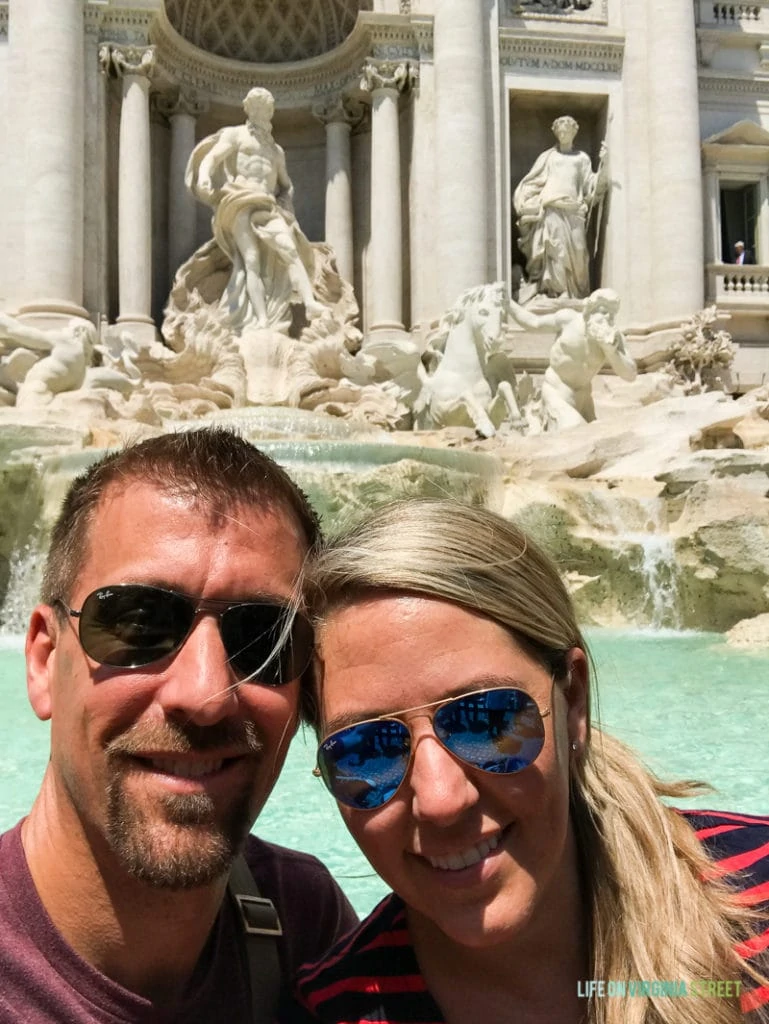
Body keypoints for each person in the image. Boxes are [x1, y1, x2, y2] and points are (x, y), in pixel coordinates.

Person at [285, 498, 769, 1024]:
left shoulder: (758, 893)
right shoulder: (331, 1011)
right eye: (367, 749)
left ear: (574, 701)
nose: (441, 800)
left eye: (487, 720)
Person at [0, 428, 357, 1023]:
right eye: (140, 622)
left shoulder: (305, 922)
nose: (205, 694)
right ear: (42, 660)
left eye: (262, 639)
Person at [187, 87, 325, 330]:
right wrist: (205, 176)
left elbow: (285, 184)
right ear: (248, 110)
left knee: (290, 250)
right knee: (251, 260)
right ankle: (261, 320)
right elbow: (213, 157)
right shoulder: (236, 135)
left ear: (271, 113)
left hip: (267, 205)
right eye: (257, 108)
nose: (262, 113)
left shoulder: (276, 150)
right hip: (240, 199)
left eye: (266, 109)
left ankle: (310, 303)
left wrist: (285, 201)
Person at [508, 287, 637, 429]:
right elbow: (534, 322)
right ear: (590, 311)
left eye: (612, 315)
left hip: (584, 399)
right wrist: (508, 303)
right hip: (556, 392)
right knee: (577, 430)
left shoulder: (613, 338)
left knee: (593, 436)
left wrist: (612, 352)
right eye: (603, 312)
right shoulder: (569, 320)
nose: (607, 318)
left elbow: (630, 374)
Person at [513, 116, 607, 300]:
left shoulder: (582, 158)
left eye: (567, 131)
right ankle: (558, 291)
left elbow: (593, 186)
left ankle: (578, 293)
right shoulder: (548, 157)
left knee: (579, 250)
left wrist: (605, 165)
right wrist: (528, 201)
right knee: (555, 250)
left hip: (574, 210)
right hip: (551, 207)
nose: (563, 134)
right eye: (560, 131)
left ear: (574, 131)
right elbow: (532, 181)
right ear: (555, 133)